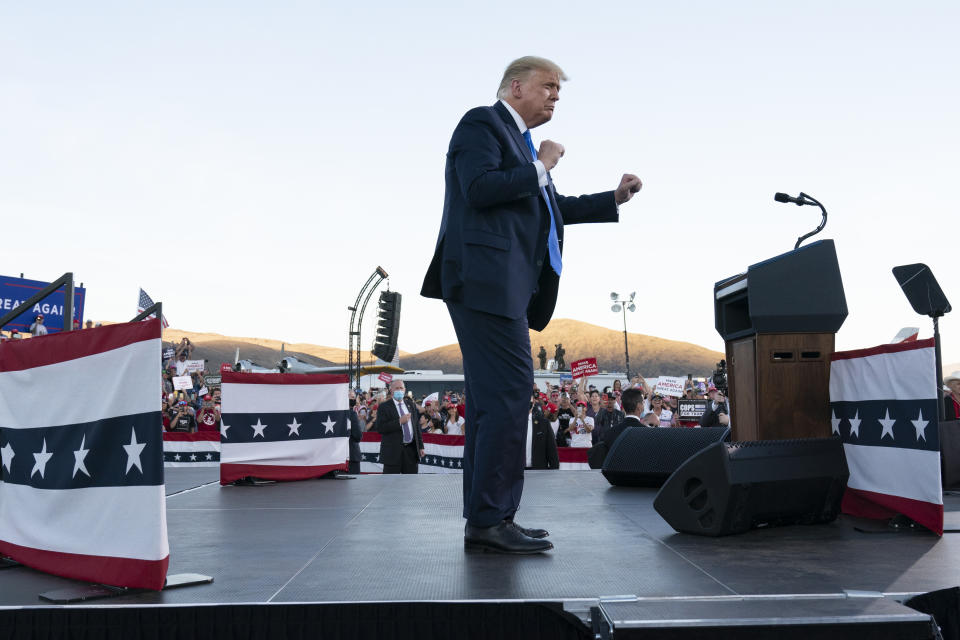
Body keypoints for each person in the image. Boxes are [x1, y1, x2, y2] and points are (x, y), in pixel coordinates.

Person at [420, 55, 641, 554]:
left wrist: (612, 199)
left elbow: (549, 208)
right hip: (484, 282)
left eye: (559, 91)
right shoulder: (482, 123)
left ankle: (487, 517)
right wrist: (541, 164)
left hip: (504, 288)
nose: (555, 96)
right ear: (515, 86)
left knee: (488, 403)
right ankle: (491, 517)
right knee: (509, 398)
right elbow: (478, 189)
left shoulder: (520, 146)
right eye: (548, 87)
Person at [589, 388, 648, 468]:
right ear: (639, 406)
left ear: (622, 405)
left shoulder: (610, 432)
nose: (643, 405)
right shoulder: (647, 433)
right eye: (643, 402)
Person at [374, 380, 424, 474]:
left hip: (411, 452)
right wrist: (399, 421)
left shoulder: (411, 405)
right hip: (392, 453)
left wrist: (420, 446)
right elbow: (380, 428)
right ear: (391, 390)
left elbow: (416, 427)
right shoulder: (384, 407)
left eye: (401, 388)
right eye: (397, 388)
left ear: (404, 390)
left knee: (410, 484)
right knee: (391, 484)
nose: (399, 390)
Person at [527, 395, 559, 469]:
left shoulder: (544, 423)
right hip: (514, 473)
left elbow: (552, 451)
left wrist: (555, 473)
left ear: (533, 402)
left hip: (538, 472)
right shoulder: (510, 424)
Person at [347, 389, 363, 474]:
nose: (354, 400)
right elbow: (357, 436)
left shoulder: (335, 414)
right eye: (352, 397)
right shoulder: (352, 414)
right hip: (352, 454)